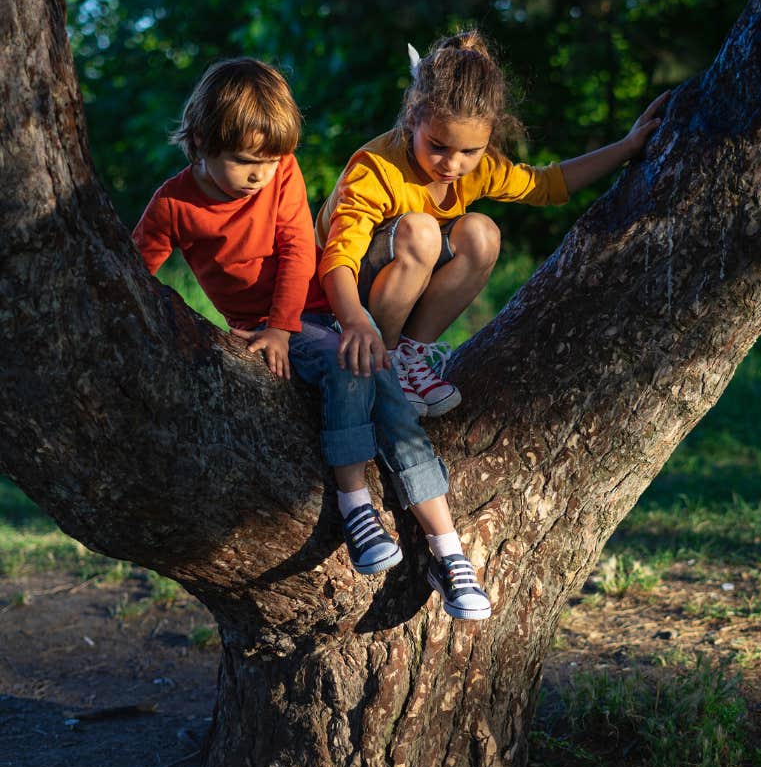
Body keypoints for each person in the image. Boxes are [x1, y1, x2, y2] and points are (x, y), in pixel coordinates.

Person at [132, 57, 491, 620]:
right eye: (245, 162)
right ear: (200, 142)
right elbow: (132, 276)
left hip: (314, 313)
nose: (261, 174)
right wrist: (266, 330)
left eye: (270, 160)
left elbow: (301, 248)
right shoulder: (174, 205)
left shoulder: (283, 173)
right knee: (352, 364)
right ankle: (355, 504)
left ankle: (448, 553)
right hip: (270, 328)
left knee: (392, 401)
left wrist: (290, 323)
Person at [316, 30, 668, 416]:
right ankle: (384, 360)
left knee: (481, 234)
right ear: (414, 116)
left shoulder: (479, 168)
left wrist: (626, 147)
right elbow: (338, 259)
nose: (453, 164)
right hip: (342, 305)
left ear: (489, 136)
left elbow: (546, 184)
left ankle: (411, 356)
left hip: (397, 293)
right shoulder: (376, 169)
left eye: (470, 151)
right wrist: (354, 321)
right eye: (437, 146)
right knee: (421, 231)